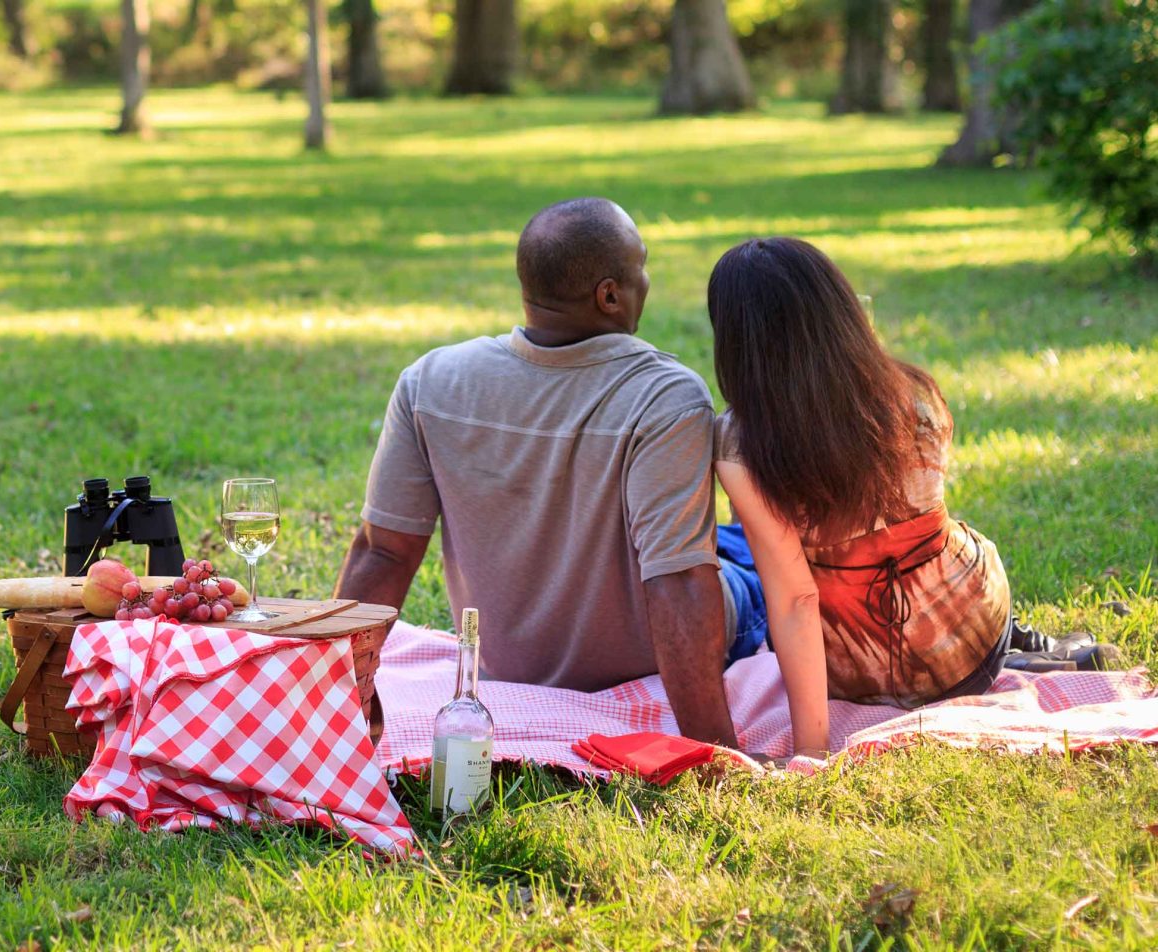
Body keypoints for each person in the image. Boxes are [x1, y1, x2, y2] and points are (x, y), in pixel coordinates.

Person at [334, 198, 764, 746]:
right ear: (610, 295)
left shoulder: (431, 382)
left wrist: (334, 701)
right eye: (643, 267)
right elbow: (678, 579)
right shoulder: (663, 396)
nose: (647, 281)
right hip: (643, 657)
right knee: (766, 560)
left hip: (507, 666)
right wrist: (715, 752)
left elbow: (382, 552)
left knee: (730, 541)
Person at [707, 237, 1114, 759]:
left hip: (856, 675)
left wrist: (810, 752)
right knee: (951, 542)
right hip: (970, 636)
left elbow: (796, 600)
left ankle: (1020, 652)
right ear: (844, 314)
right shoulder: (911, 392)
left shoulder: (740, 445)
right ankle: (1015, 647)